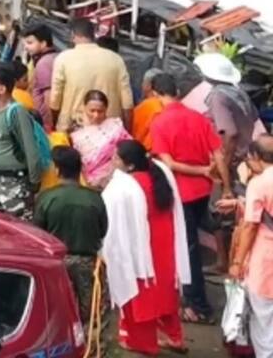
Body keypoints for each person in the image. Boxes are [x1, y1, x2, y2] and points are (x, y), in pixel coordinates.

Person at [144, 68, 222, 323]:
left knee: (188, 250)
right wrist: (224, 183)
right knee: (194, 245)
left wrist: (200, 169)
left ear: (156, 94)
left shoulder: (159, 122)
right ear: (177, 92)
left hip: (181, 192)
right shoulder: (199, 118)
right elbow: (218, 154)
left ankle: (197, 306)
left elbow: (169, 163)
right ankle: (192, 297)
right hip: (203, 189)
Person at [108, 137, 187, 355]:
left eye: (116, 158)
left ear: (130, 165)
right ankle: (175, 337)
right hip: (166, 245)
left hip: (143, 249)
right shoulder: (159, 175)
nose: (113, 161)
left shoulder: (126, 185)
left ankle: (144, 343)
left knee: (142, 296)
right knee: (165, 293)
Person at [34, 144, 107, 327]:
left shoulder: (45, 197)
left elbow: (38, 233)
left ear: (57, 170)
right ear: (79, 169)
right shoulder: (94, 198)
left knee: (60, 311)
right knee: (91, 311)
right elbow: (103, 229)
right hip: (87, 262)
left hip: (57, 263)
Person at [224, 134, 273, 358]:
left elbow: (250, 227)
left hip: (266, 259)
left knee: (264, 322)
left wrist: (237, 261)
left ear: (256, 157)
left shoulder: (260, 183)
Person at [0, 60, 46, 219]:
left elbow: (31, 150)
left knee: (19, 227)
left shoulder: (16, 113)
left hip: (15, 183)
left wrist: (33, 182)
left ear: (2, 89)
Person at [49, 15, 133, 122]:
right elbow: (127, 101)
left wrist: (56, 122)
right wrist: (127, 129)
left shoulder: (63, 59)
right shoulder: (115, 59)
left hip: (75, 124)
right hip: (109, 127)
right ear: (93, 35)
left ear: (72, 35)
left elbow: (55, 99)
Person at [71, 87, 130, 188]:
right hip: (91, 185)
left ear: (106, 109)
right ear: (84, 108)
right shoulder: (76, 132)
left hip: (118, 181)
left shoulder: (116, 127)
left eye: (100, 111)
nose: (96, 115)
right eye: (92, 111)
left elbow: (129, 151)